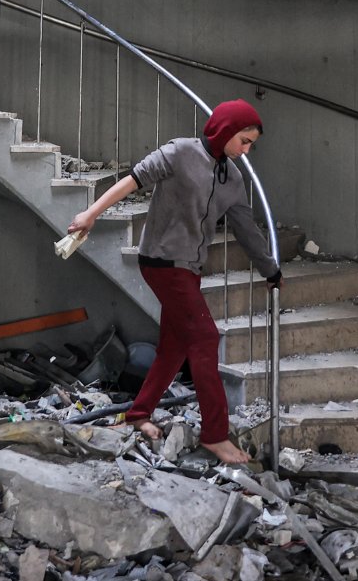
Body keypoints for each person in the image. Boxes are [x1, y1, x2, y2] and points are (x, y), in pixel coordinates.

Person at [66, 98, 281, 464]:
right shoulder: (181, 152)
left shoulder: (233, 178)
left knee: (175, 345)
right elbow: (132, 181)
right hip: (162, 262)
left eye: (251, 144)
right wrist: (90, 214)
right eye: (244, 140)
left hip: (190, 268)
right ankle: (215, 434)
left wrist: (270, 269)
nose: (247, 149)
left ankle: (138, 413)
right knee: (205, 337)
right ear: (225, 131)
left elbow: (246, 228)